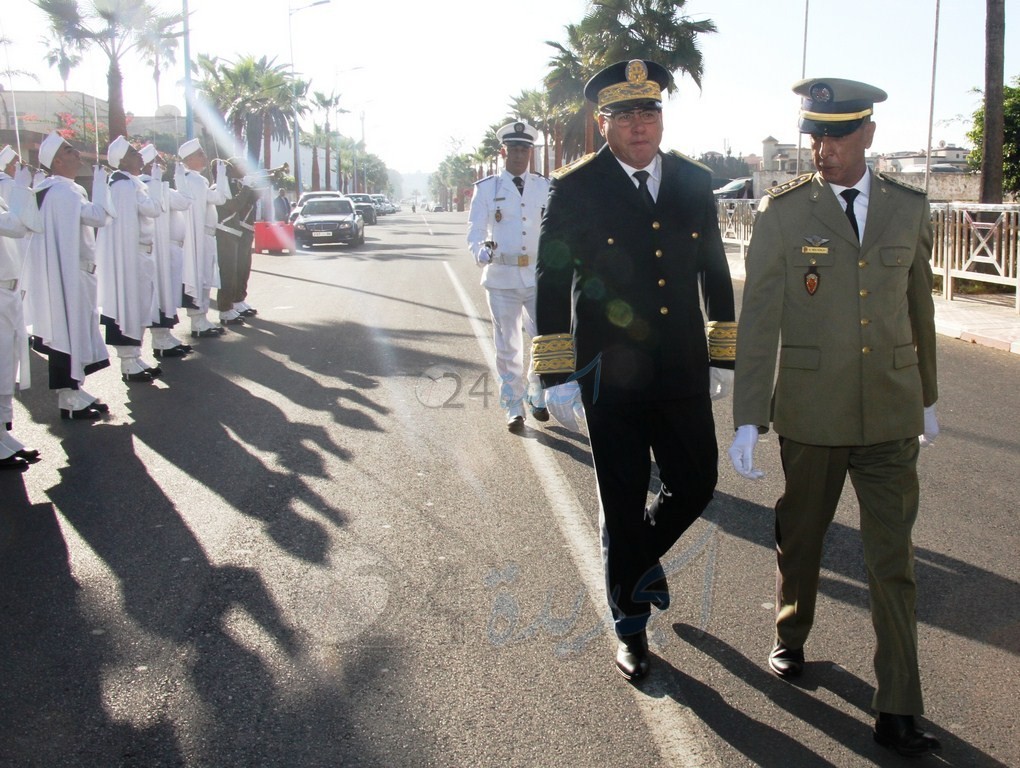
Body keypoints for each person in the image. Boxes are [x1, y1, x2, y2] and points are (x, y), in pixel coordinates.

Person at [728, 78, 941, 757]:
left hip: (889, 413)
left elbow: (919, 309)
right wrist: (748, 415)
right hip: (812, 416)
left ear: (868, 135)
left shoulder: (909, 210)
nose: (823, 149)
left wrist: (927, 396)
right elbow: (759, 320)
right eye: (815, 134)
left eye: (838, 134)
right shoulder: (784, 214)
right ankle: (792, 630)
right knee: (803, 536)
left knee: (893, 562)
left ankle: (899, 706)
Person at [533, 60, 737, 681]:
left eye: (648, 112)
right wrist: (556, 372)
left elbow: (714, 271)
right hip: (608, 375)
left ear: (661, 119)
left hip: (679, 365)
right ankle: (630, 629)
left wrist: (721, 351)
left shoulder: (694, 181)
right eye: (625, 115)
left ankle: (636, 565)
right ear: (604, 124)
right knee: (621, 500)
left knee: (696, 483)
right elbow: (551, 280)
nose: (640, 125)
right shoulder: (575, 188)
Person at [23, 131, 115, 419]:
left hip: (74, 274)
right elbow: (99, 217)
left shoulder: (59, 190)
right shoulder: (62, 192)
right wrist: (101, 185)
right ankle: (69, 399)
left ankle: (75, 391)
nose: (77, 154)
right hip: (70, 277)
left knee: (74, 332)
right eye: (70, 150)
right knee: (68, 332)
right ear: (58, 161)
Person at [467, 121, 550, 432]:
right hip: (501, 276)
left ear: (530, 152)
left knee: (543, 341)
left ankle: (536, 392)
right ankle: (514, 406)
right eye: (514, 149)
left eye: (524, 149)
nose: (519, 155)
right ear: (504, 152)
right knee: (508, 346)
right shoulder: (487, 188)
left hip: (537, 276)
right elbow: (475, 230)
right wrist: (480, 251)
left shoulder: (543, 186)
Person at [95, 136, 163, 384]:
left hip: (139, 255)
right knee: (129, 306)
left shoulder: (131, 183)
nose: (141, 156)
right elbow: (151, 211)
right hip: (130, 258)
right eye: (135, 153)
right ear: (123, 160)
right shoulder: (123, 186)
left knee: (140, 306)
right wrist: (155, 183)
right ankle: (127, 360)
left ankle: (135, 356)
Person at [0, 158, 42, 468]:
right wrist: (21, 189)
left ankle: (3, 432)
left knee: (7, 362)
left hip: (8, 290)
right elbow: (16, 225)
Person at [139, 143, 193, 359]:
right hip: (164, 250)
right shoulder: (153, 186)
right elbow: (185, 201)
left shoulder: (154, 186)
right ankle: (161, 339)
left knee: (167, 294)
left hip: (168, 249)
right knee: (163, 294)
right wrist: (180, 179)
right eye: (159, 162)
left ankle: (164, 336)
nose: (163, 166)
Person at [176, 138, 230, 337]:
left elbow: (214, 198)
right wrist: (221, 177)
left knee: (204, 277)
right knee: (201, 277)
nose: (204, 157)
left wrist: (218, 181)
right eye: (200, 155)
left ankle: (201, 319)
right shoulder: (195, 180)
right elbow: (220, 199)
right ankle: (199, 320)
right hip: (201, 237)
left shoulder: (193, 179)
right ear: (189, 159)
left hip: (204, 236)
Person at [214, 159, 259, 325]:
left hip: (235, 232)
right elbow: (235, 206)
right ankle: (225, 308)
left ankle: (237, 301)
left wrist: (256, 184)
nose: (245, 167)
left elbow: (252, 200)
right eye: (241, 165)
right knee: (228, 273)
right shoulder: (222, 187)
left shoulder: (236, 185)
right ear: (230, 170)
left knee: (240, 270)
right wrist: (246, 187)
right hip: (225, 233)